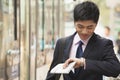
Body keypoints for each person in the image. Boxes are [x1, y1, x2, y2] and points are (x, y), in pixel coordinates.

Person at [46, 1, 120, 80]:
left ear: (96, 24)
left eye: (89, 27)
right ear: (74, 22)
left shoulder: (103, 44)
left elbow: (115, 69)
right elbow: (52, 75)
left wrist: (84, 63)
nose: (84, 31)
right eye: (80, 26)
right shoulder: (62, 43)